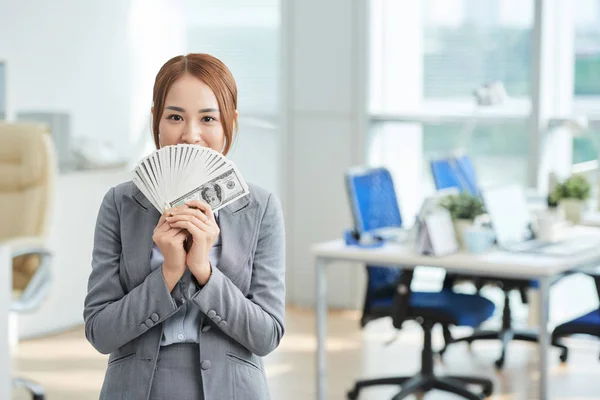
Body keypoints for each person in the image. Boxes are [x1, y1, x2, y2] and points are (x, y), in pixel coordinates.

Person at [83, 53, 286, 400]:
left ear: (230, 123)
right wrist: (169, 273)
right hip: (136, 388)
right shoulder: (120, 204)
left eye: (208, 118)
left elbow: (267, 335)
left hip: (232, 389)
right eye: (175, 116)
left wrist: (204, 271)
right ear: (156, 120)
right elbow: (100, 332)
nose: (191, 135)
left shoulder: (261, 208)